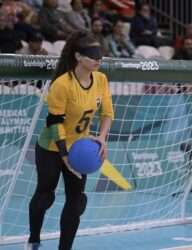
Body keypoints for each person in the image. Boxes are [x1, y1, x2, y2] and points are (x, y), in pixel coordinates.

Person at [25, 31, 114, 250]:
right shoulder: (62, 84)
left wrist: (102, 138)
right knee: (45, 195)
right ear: (78, 57)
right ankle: (34, 239)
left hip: (80, 148)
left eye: (99, 54)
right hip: (51, 147)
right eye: (92, 55)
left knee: (76, 201)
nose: (98, 59)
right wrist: (64, 156)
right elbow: (54, 122)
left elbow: (108, 113)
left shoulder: (101, 79)